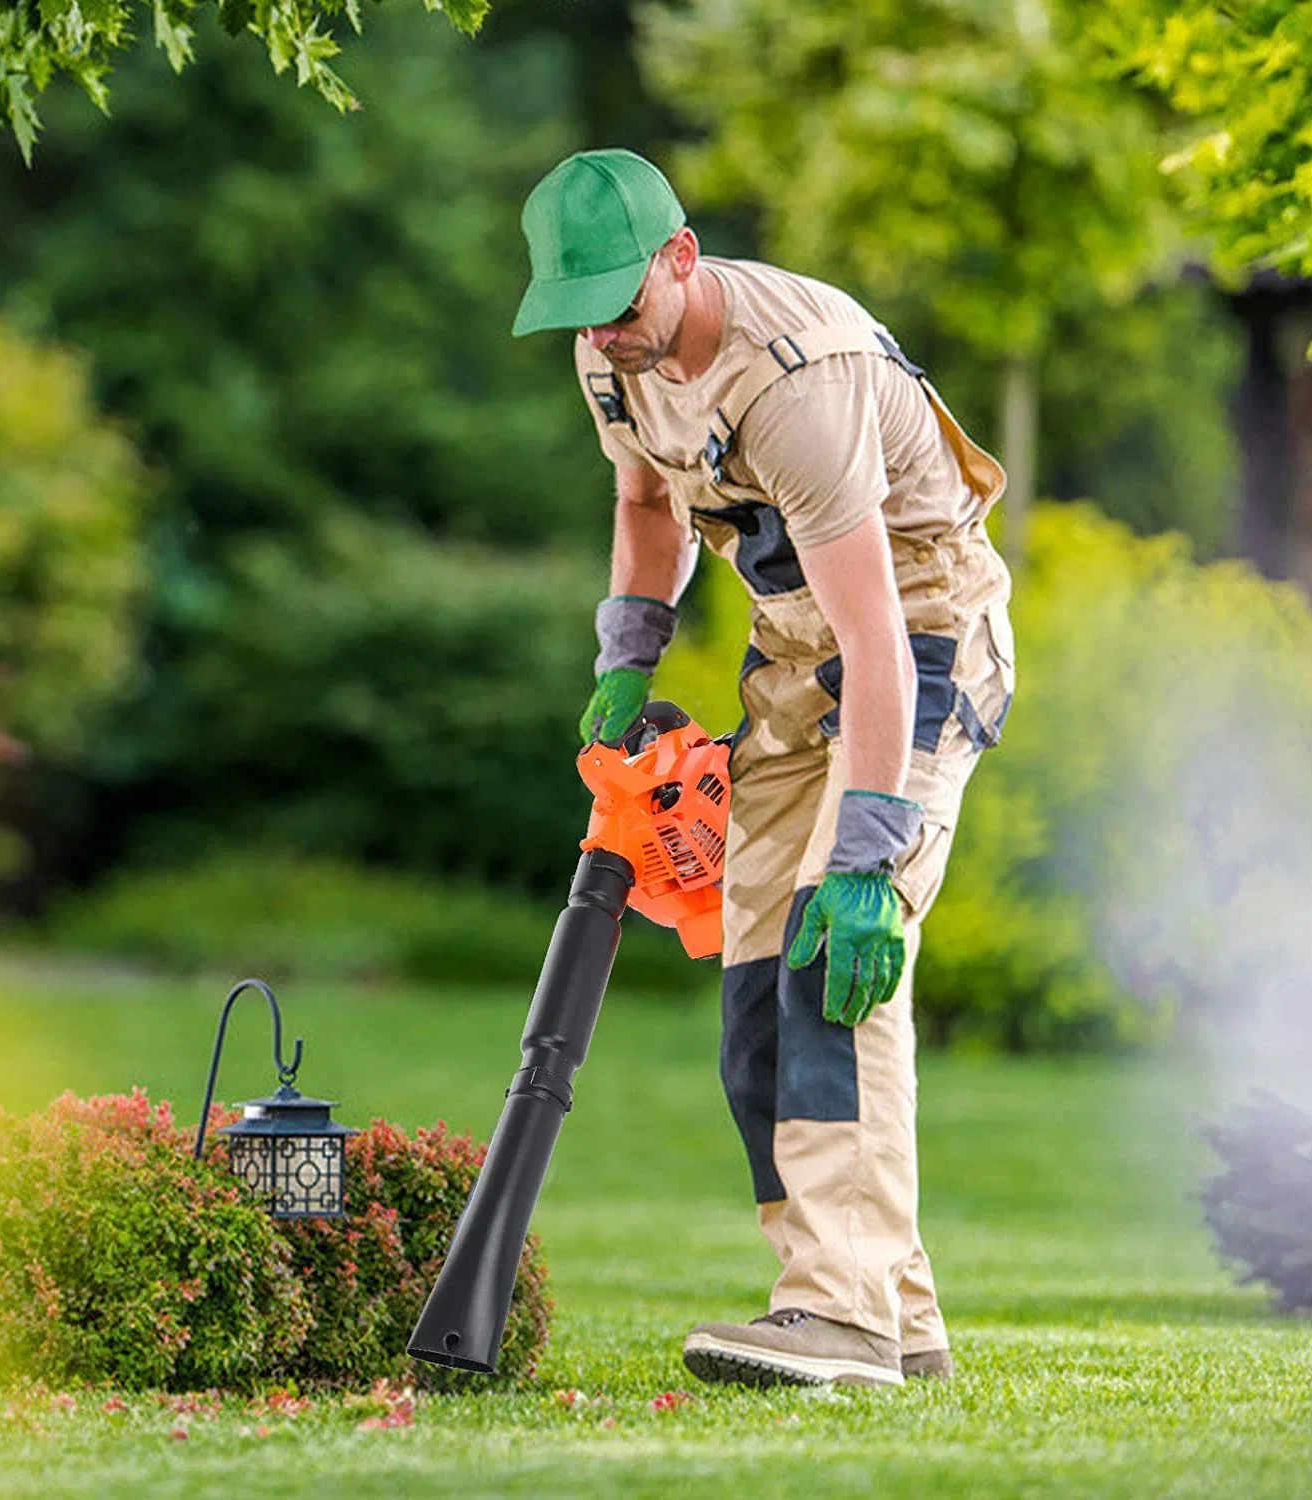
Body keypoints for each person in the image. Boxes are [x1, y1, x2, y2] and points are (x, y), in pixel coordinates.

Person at [512, 148, 1015, 1389]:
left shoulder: (799, 376)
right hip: (791, 656)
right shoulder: (609, 348)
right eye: (581, 315)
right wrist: (629, 653)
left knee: (831, 968)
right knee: (752, 1005)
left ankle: (837, 1314)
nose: (607, 338)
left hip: (917, 638)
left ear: (681, 256)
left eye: (623, 306)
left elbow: (882, 639)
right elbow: (646, 506)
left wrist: (865, 856)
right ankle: (896, 1318)